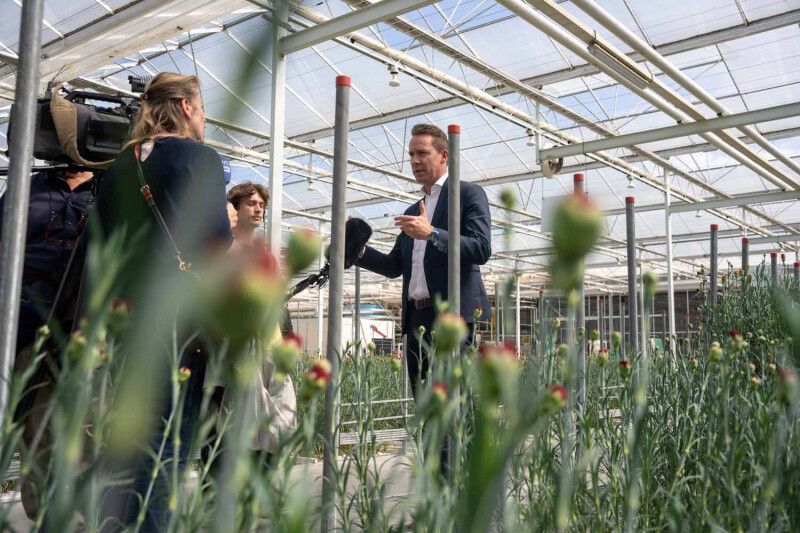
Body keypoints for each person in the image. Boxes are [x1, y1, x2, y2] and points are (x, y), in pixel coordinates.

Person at [91, 72, 231, 532]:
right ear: (187, 107)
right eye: (202, 108)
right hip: (180, 322)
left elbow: (101, 247)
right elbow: (216, 242)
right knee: (169, 445)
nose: (204, 118)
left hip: (128, 321)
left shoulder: (120, 165)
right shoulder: (200, 158)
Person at [356, 123, 492, 396]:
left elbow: (481, 248)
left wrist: (432, 234)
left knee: (455, 403)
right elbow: (395, 266)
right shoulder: (413, 210)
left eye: (422, 153)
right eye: (411, 155)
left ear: (444, 155)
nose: (415, 161)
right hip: (416, 317)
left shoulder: (467, 194)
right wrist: (357, 250)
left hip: (451, 316)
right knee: (424, 404)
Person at [0, 166, 97, 520]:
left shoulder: (106, 191)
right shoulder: (28, 187)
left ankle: (86, 510)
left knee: (88, 416)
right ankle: (44, 513)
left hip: (83, 320)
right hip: (27, 316)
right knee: (31, 416)